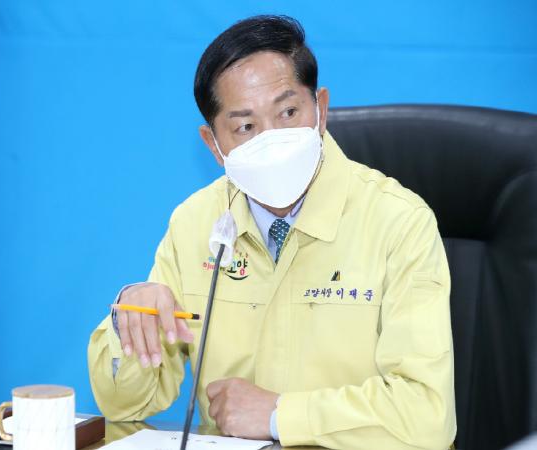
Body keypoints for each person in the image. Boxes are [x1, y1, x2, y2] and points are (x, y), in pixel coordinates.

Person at [88, 15, 456, 450]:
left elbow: (426, 414)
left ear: (320, 110)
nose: (272, 139)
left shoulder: (399, 221)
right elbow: (127, 405)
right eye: (245, 127)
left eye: (288, 112)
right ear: (213, 145)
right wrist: (131, 324)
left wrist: (280, 415)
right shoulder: (195, 223)